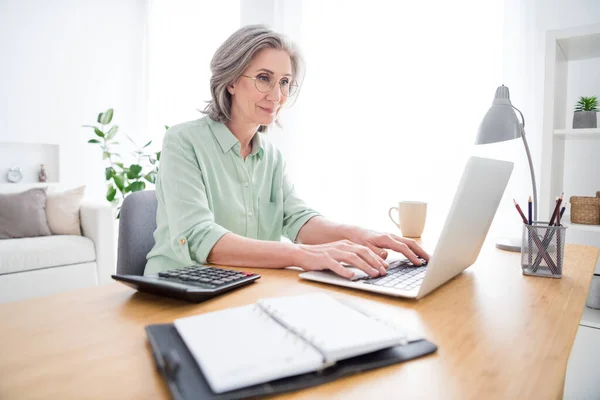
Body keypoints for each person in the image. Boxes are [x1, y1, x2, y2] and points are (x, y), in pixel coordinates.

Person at [145, 25, 429, 279]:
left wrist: (362, 235)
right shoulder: (183, 141)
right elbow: (200, 238)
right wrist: (300, 255)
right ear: (231, 81)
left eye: (284, 82)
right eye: (264, 78)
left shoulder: (271, 156)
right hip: (178, 288)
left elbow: (297, 219)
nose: (277, 96)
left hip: (244, 287)